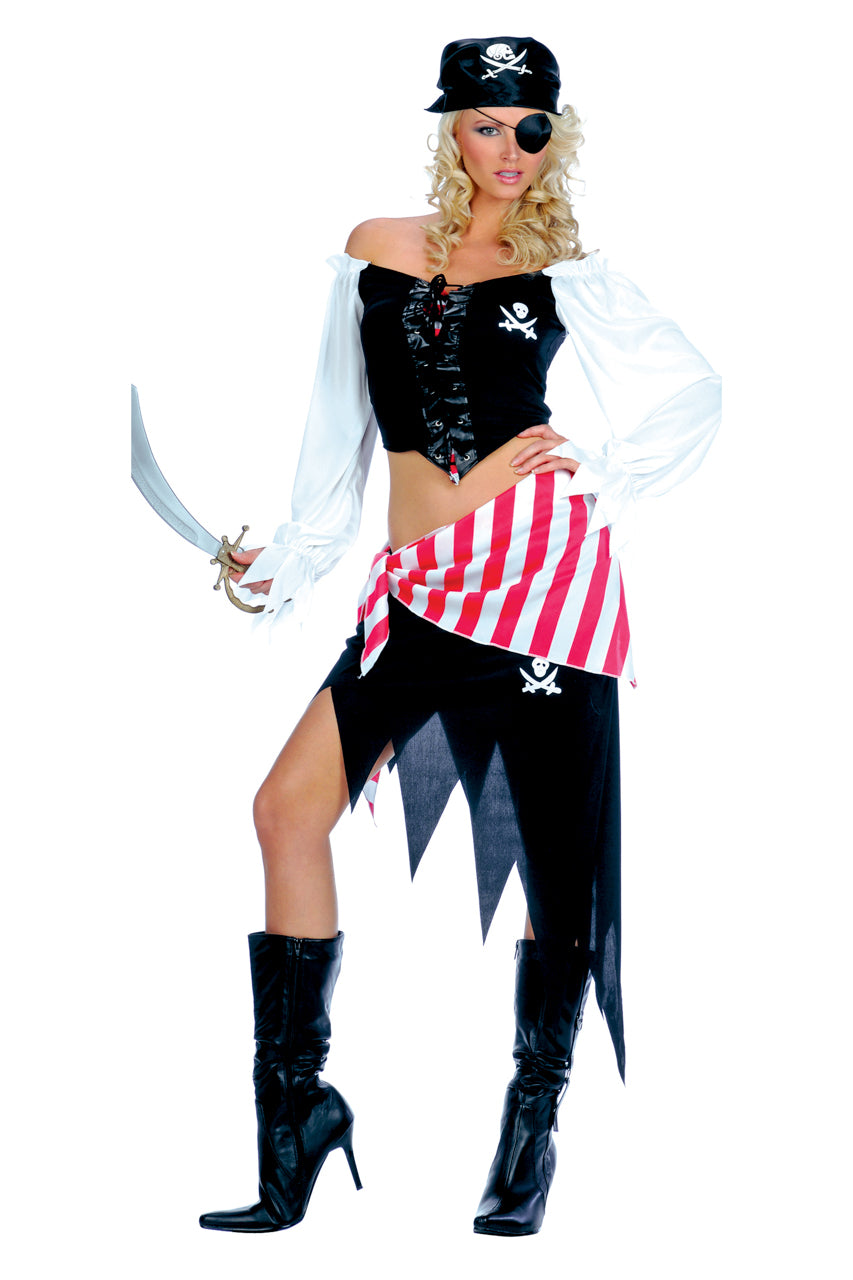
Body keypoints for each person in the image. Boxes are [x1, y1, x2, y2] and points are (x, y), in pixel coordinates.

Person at [198, 35, 721, 1238]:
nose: (509, 150)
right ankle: (298, 1111)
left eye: (531, 127)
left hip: (537, 580)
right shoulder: (374, 248)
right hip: (418, 585)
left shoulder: (565, 268)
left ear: (553, 135)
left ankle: (530, 1123)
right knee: (286, 810)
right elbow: (339, 426)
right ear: (451, 131)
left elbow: (695, 389)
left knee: (556, 863)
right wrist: (288, 557)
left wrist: (601, 467)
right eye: (486, 124)